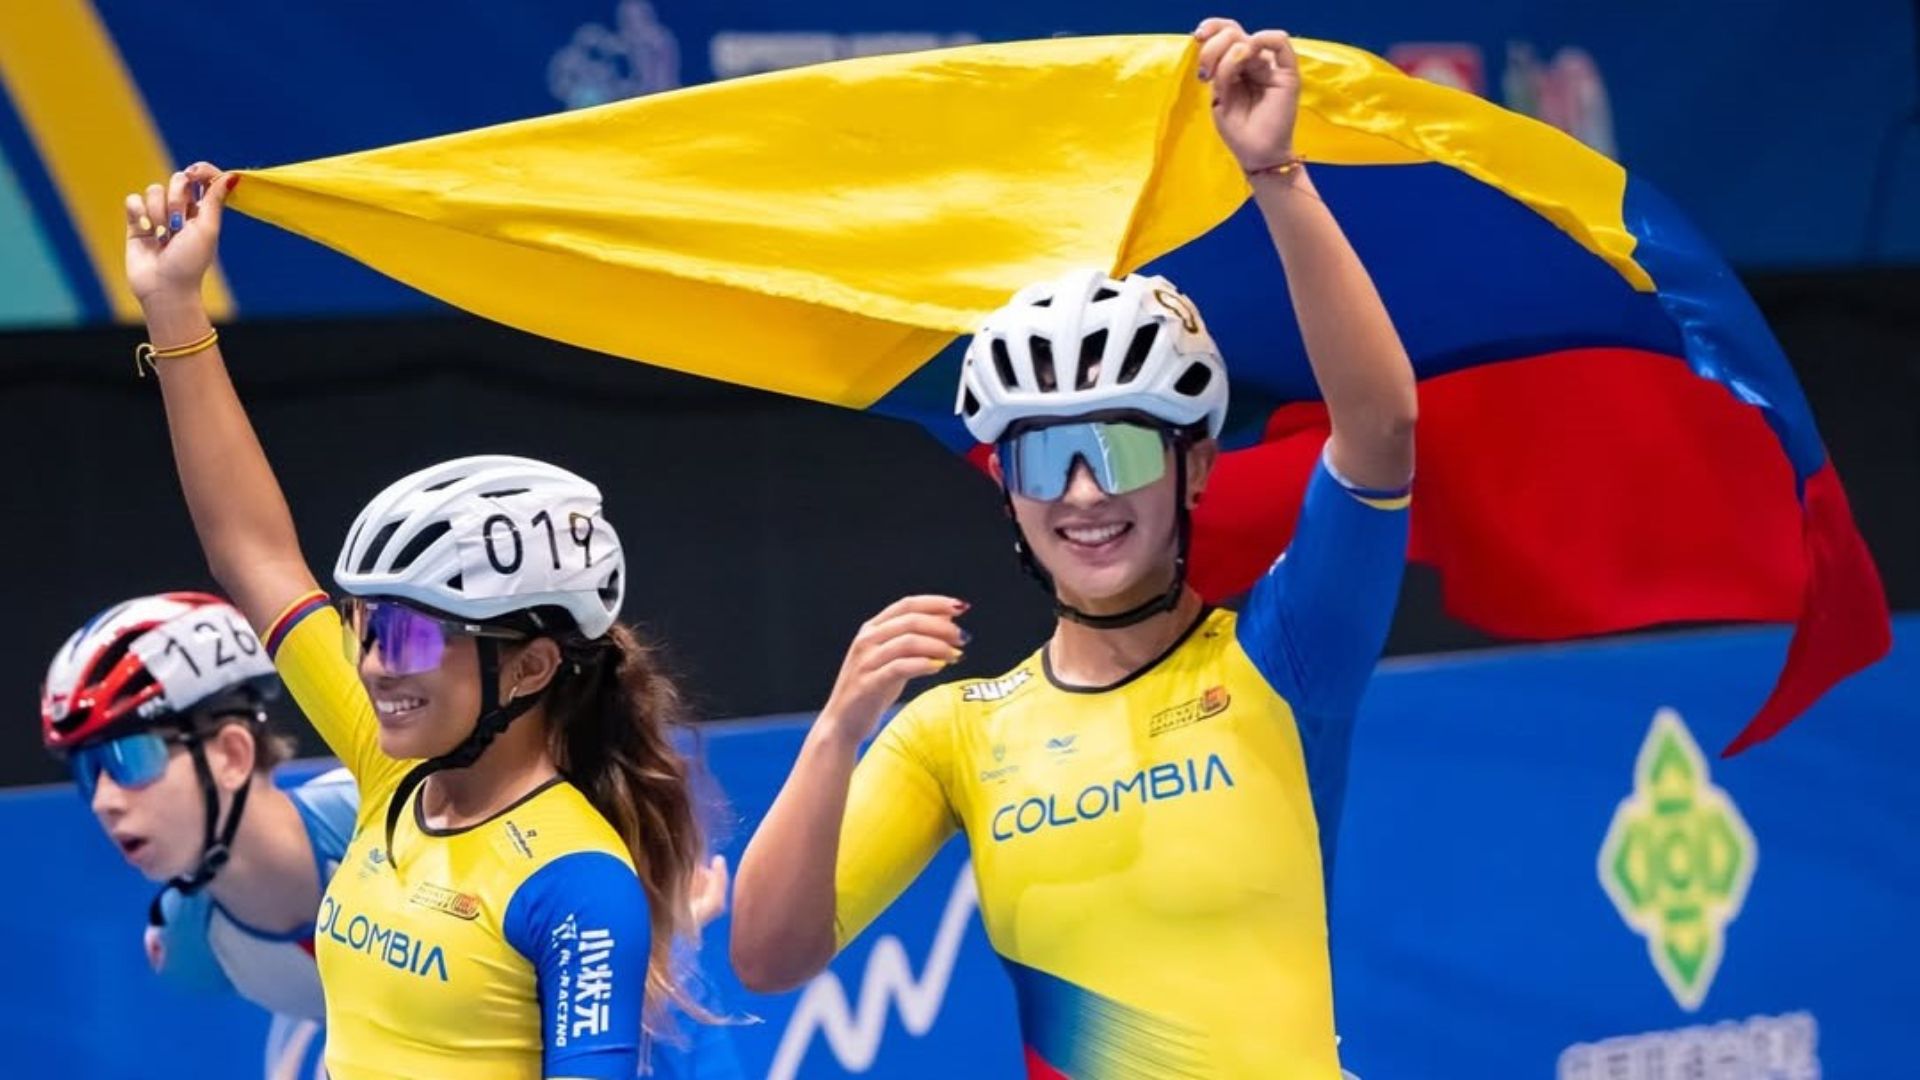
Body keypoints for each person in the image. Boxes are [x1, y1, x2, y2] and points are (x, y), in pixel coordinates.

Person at [732, 18, 1417, 1077]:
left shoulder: (1287, 658)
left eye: (1120, 449)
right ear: (1007, 494)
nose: (1086, 493)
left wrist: (1276, 171)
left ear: (1192, 467)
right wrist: (836, 735)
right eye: (1046, 462)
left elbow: (1380, 433)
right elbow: (769, 958)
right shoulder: (954, 733)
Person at [126, 161, 711, 1078]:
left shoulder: (580, 886)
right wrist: (173, 306)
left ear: (530, 668)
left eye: (406, 636)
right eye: (364, 625)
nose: (369, 665)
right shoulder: (391, 771)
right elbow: (254, 553)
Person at [40, 591, 353, 1032]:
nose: (102, 801)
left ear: (232, 755)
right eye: (88, 771)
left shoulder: (386, 821)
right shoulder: (188, 949)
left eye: (129, 757)